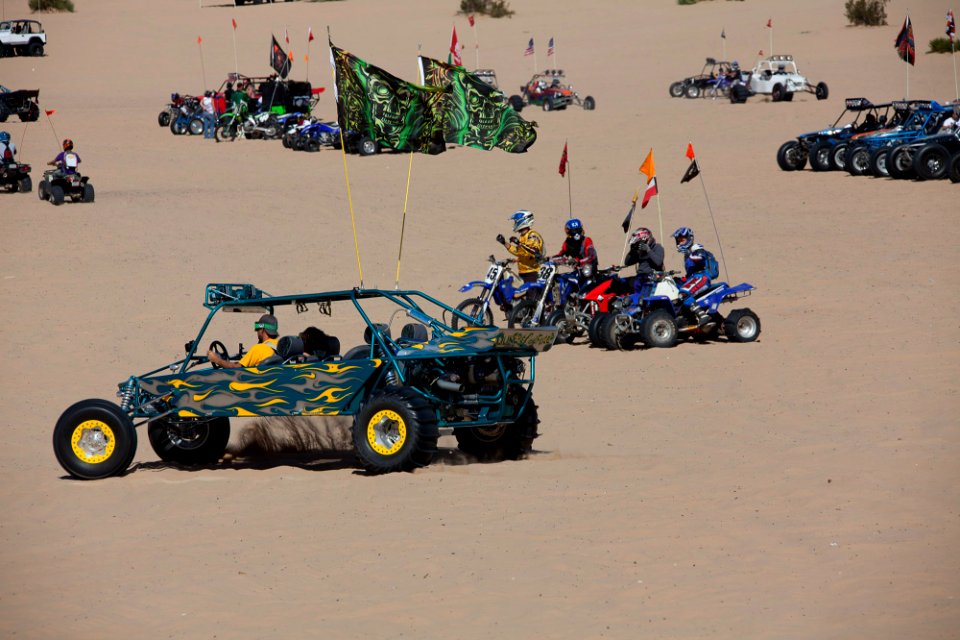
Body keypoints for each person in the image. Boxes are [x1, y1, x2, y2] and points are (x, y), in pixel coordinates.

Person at [672, 227, 715, 327]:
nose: (680, 243)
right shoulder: (687, 253)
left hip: (702, 277)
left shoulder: (695, 248)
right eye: (678, 241)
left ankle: (702, 315)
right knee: (673, 286)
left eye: (682, 240)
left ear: (689, 238)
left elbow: (700, 257)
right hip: (693, 278)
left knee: (683, 293)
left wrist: (693, 255)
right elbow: (690, 272)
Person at [207, 313, 279, 369]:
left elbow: (236, 368)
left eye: (258, 329)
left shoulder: (259, 349)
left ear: (262, 330)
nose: (257, 332)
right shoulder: (279, 347)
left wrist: (216, 360)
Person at [496, 209, 545, 284]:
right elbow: (519, 252)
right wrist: (504, 243)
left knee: (531, 295)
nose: (514, 224)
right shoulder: (522, 236)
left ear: (522, 221)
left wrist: (519, 244)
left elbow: (534, 252)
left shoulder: (532, 235)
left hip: (532, 273)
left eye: (516, 221)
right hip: (523, 273)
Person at [622, 227, 665, 297]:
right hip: (640, 278)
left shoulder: (657, 247)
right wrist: (632, 250)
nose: (638, 245)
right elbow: (627, 262)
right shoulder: (640, 251)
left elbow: (658, 262)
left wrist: (648, 250)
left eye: (639, 243)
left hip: (653, 279)